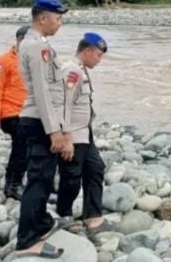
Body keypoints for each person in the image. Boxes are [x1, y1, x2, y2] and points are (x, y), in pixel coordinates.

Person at [14, 0, 71, 259]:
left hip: (37, 119)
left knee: (44, 177)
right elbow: (43, 91)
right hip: (39, 121)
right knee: (38, 180)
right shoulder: (37, 47)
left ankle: (41, 223)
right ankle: (27, 240)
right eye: (57, 18)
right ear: (43, 18)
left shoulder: (36, 43)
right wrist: (55, 130)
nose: (59, 23)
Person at [56, 33, 114, 234]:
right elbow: (62, 105)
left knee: (96, 168)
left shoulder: (81, 70)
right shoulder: (71, 71)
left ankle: (93, 216)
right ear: (87, 51)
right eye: (98, 55)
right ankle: (64, 215)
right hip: (73, 135)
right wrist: (65, 138)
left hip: (85, 134)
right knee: (71, 177)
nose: (99, 60)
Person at [0, 25, 30, 200]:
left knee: (23, 148)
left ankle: (15, 182)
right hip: (10, 113)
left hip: (28, 112)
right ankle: (13, 185)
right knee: (22, 145)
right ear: (20, 40)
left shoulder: (33, 60)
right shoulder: (3, 61)